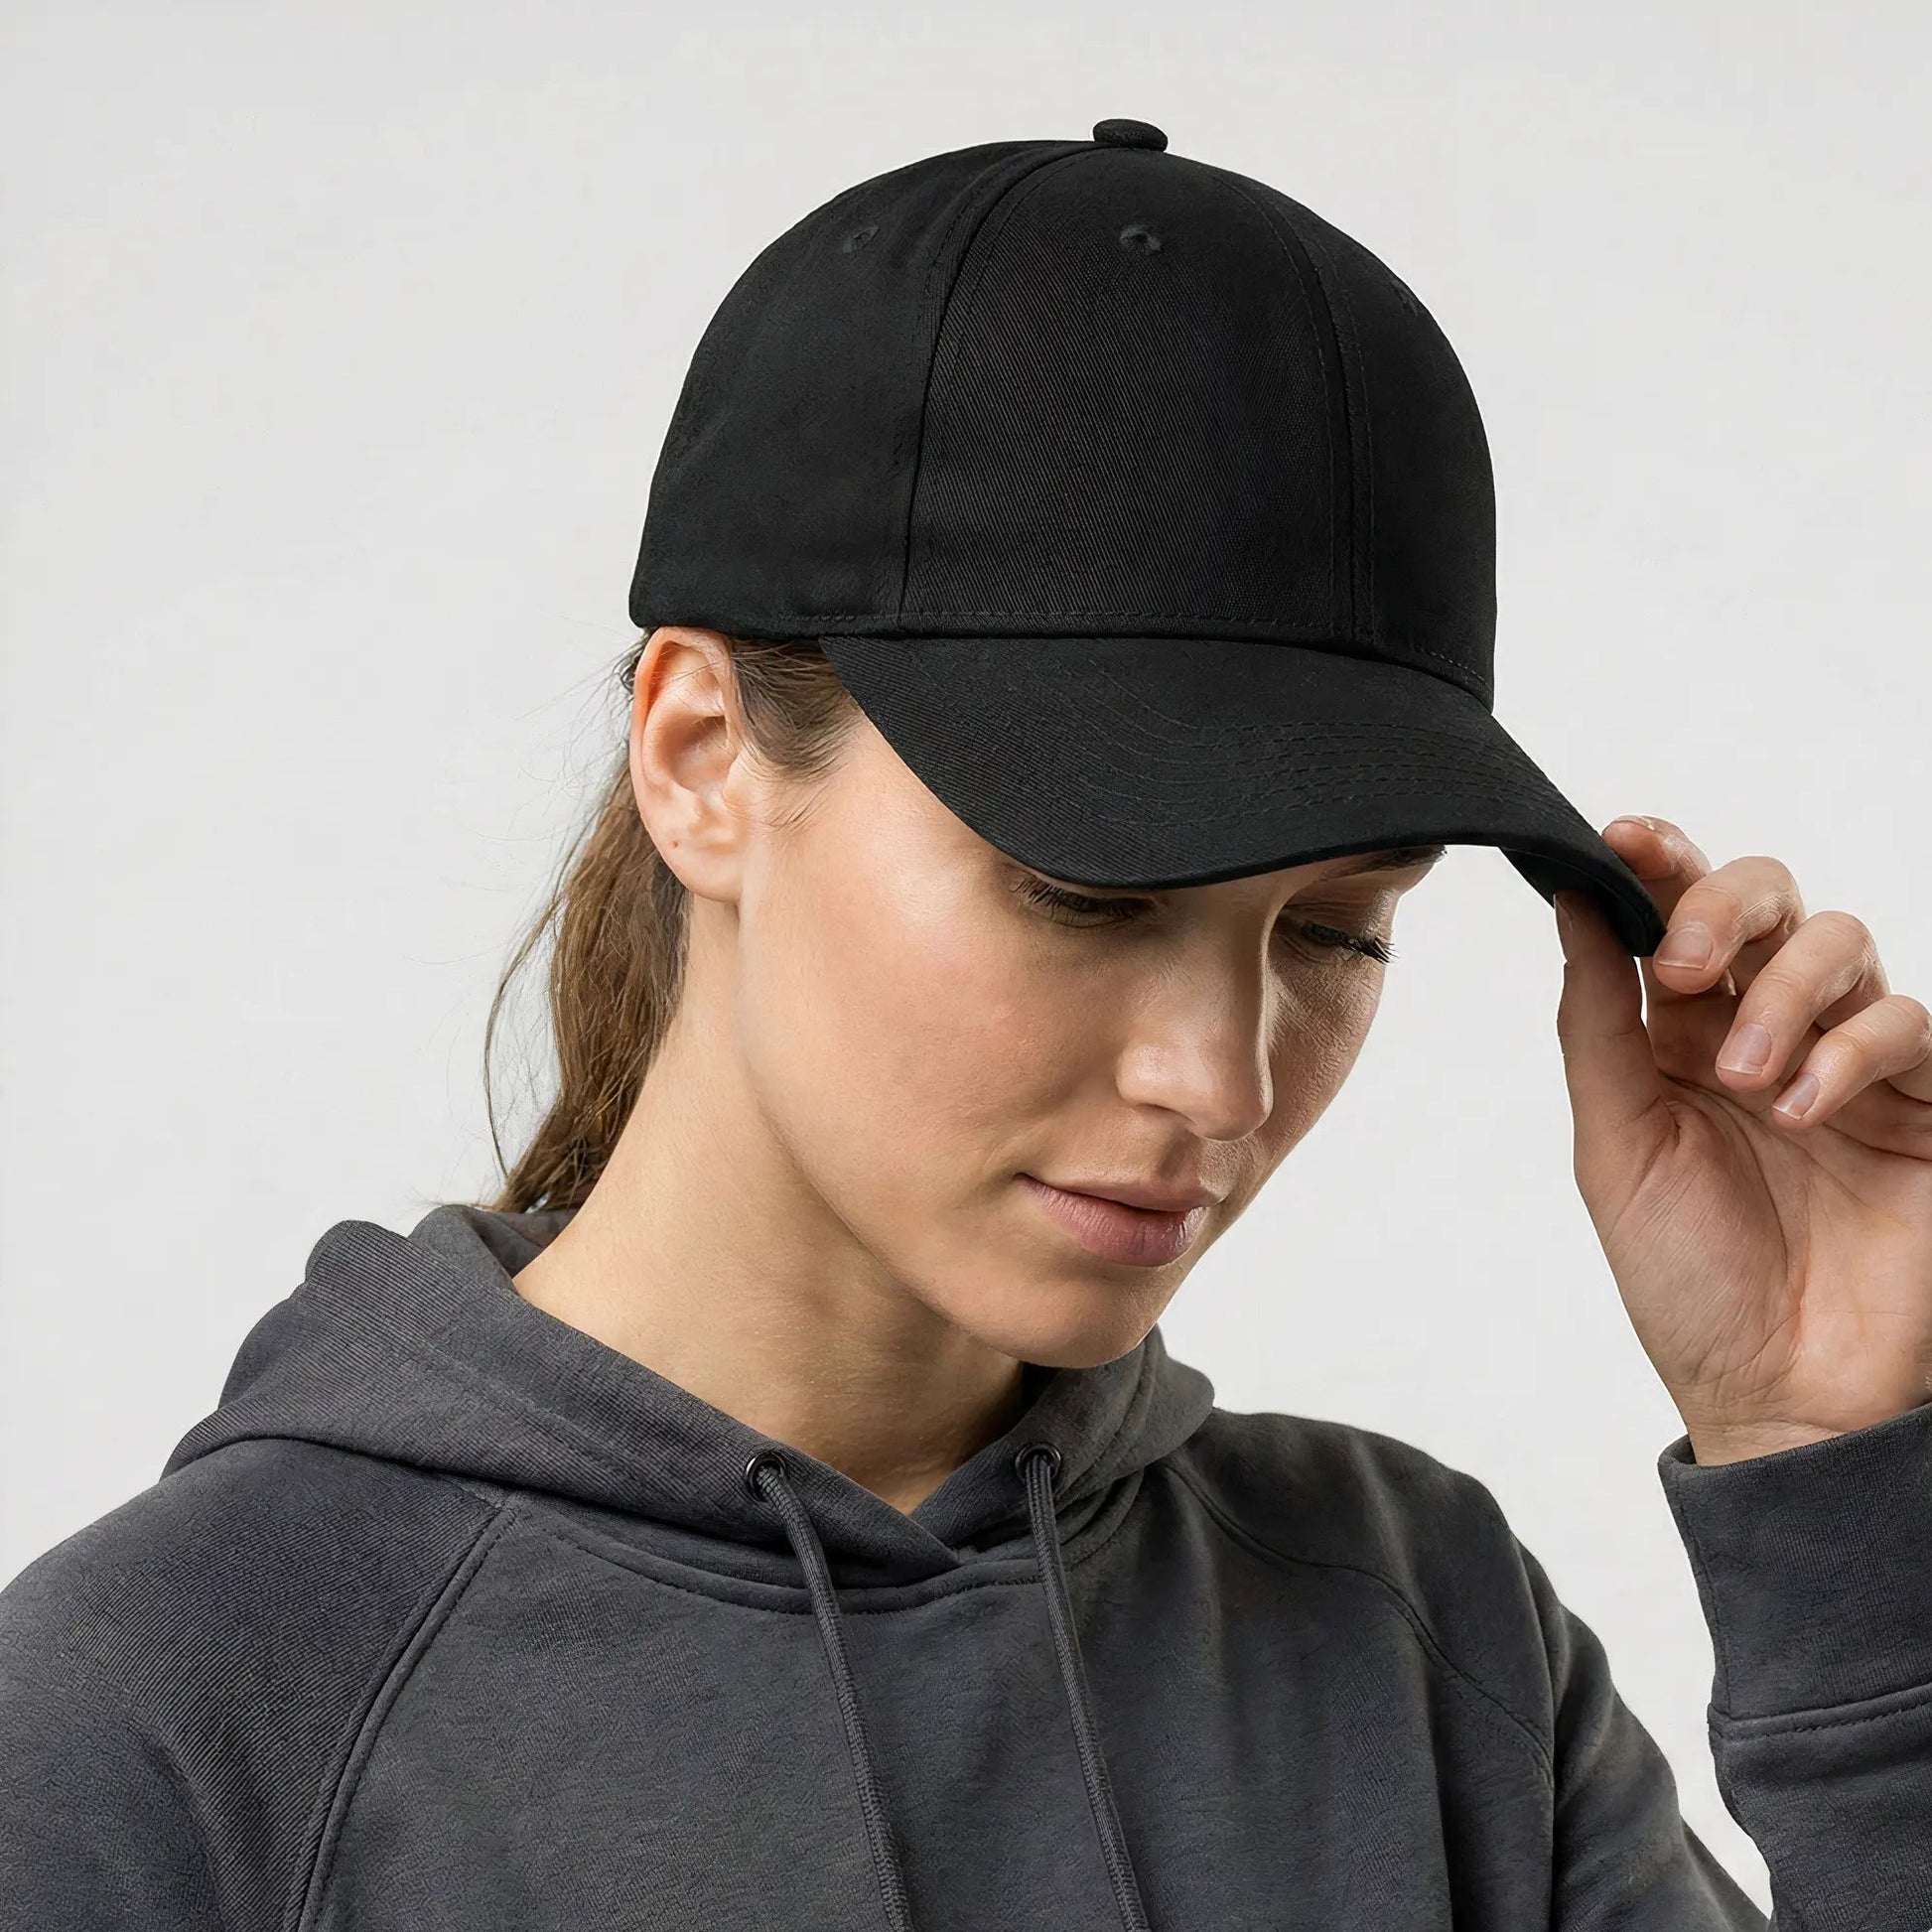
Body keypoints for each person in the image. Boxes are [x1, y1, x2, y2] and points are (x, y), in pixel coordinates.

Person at [5, 117, 1931, 1932]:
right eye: (1085, 893)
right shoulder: (166, 1716)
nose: (1220, 1080)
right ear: (701, 757)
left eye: (1337, 932)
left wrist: (1829, 1468)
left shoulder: (1415, 1633)